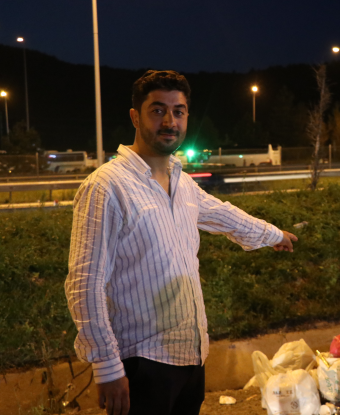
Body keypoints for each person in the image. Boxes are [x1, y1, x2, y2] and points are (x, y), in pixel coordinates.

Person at [65, 70, 297, 415]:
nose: (169, 121)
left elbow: (223, 215)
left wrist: (274, 235)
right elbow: (85, 285)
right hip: (142, 362)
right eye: (157, 110)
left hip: (190, 355)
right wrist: (107, 366)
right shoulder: (106, 187)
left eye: (179, 111)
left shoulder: (182, 182)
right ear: (135, 116)